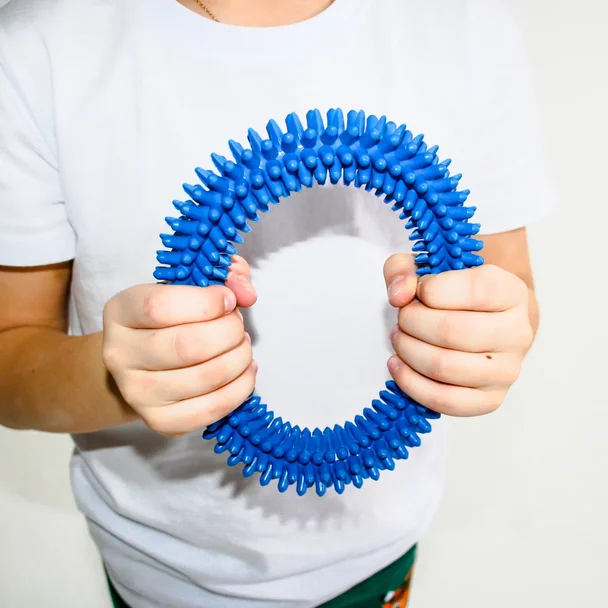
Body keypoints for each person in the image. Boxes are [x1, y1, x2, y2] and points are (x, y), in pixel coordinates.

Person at [0, 0, 554, 606]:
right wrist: (120, 376)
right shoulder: (38, 47)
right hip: (158, 572)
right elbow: (12, 355)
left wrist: (487, 336)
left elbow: (508, 289)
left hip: (377, 563)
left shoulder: (466, 30)